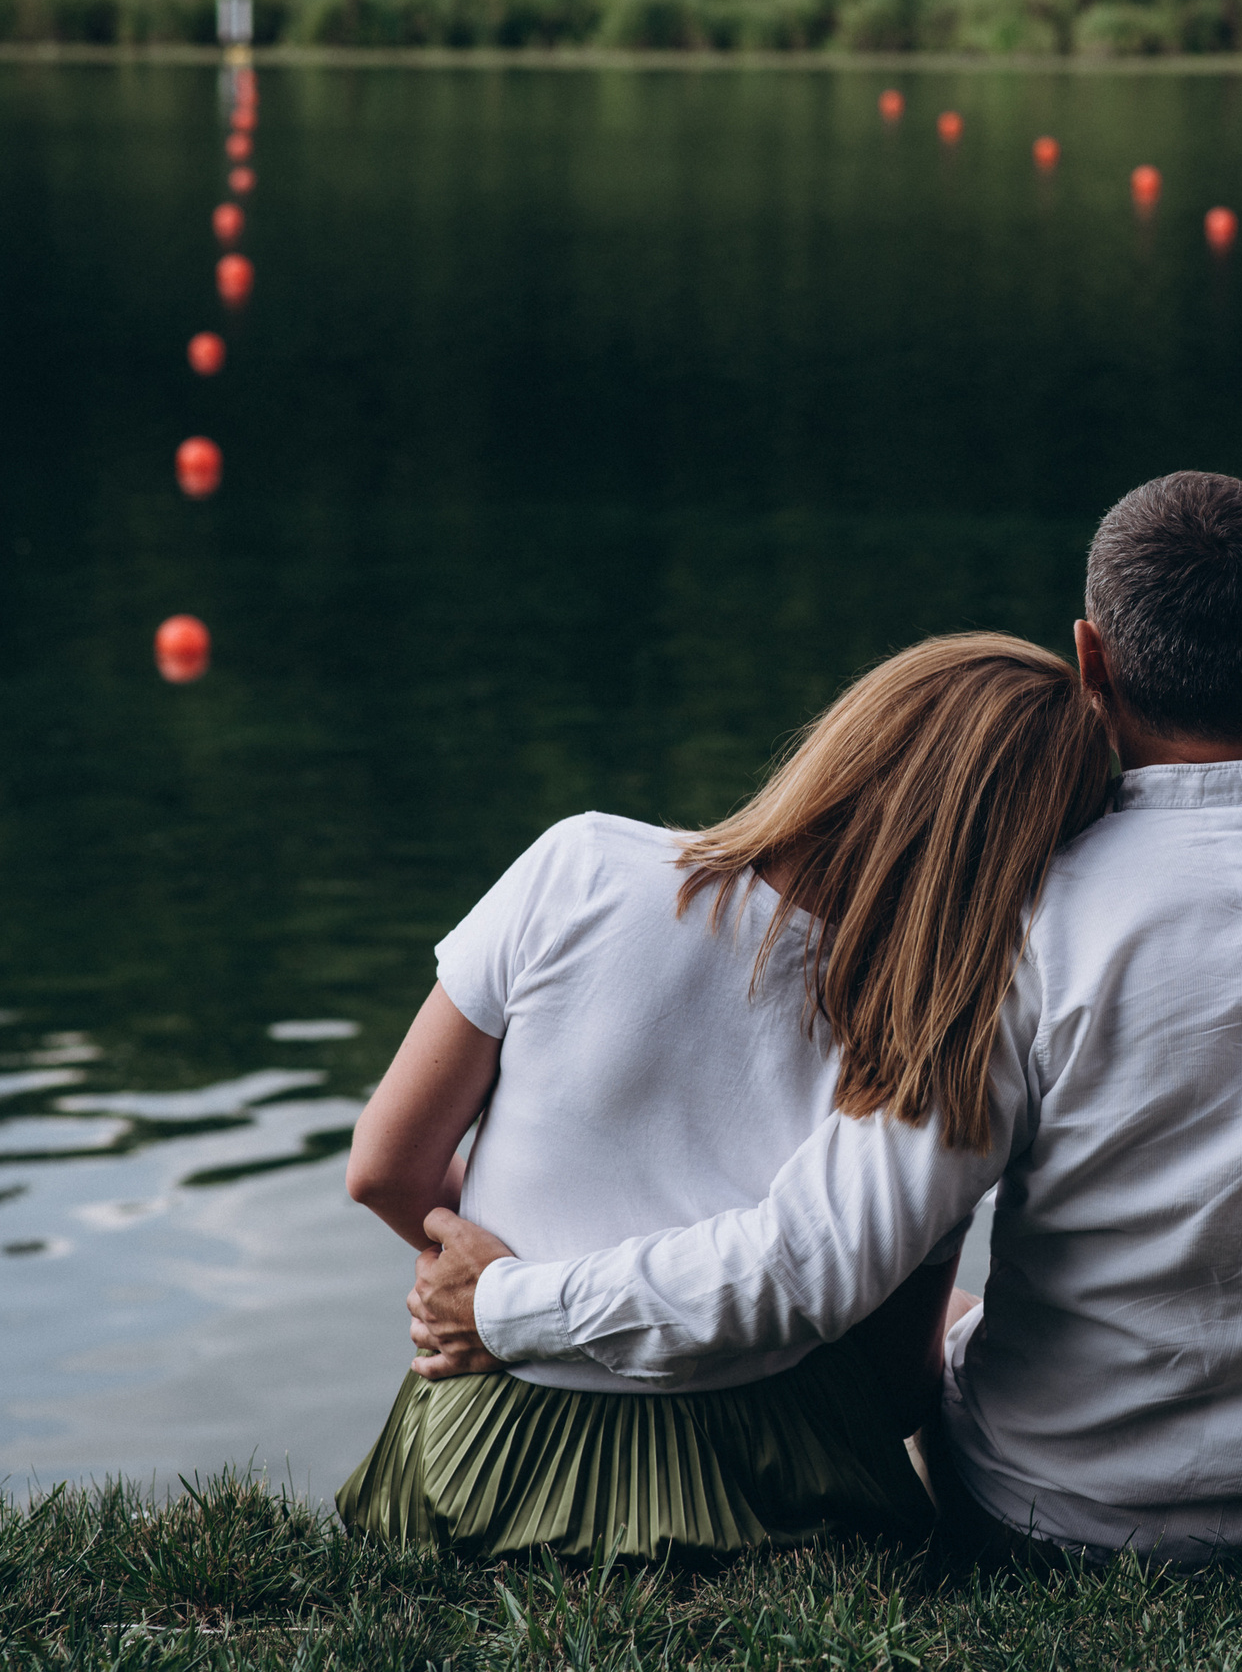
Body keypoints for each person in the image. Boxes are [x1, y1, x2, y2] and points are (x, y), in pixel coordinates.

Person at [407, 471, 1242, 1564]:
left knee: (942, 1324)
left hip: (1060, 1514)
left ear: (1089, 658)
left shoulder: (1018, 921)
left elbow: (807, 1267)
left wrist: (503, 1301)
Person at [336, 632, 1116, 1561]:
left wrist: (502, 1285)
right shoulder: (936, 1049)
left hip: (480, 1466)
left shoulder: (579, 865)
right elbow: (894, 1388)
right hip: (765, 1497)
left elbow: (384, 1168)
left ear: (854, 735)